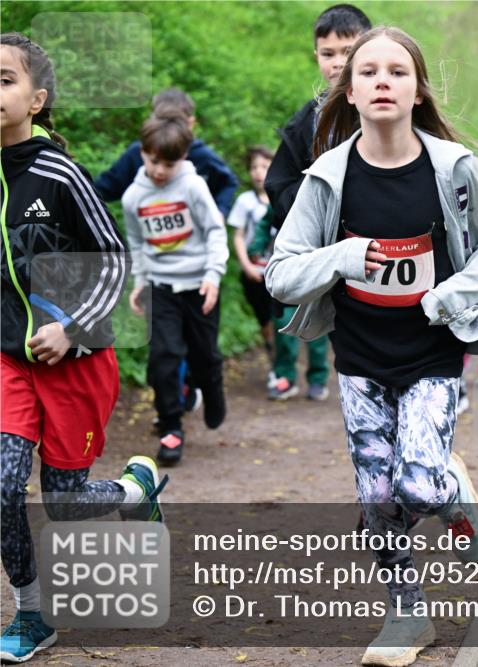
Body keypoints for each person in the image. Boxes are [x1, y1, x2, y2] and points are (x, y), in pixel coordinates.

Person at [266, 27, 478, 666]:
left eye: (398, 72)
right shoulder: (325, 177)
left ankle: (446, 490)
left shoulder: (453, 169)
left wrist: (455, 292)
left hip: (433, 351)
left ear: (416, 89)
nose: (383, 81)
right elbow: (280, 273)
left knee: (415, 482)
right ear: (349, 92)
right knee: (377, 499)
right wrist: (343, 257)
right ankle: (407, 616)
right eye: (369, 72)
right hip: (359, 357)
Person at [1, 32, 168, 664]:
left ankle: (134, 490)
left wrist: (69, 327)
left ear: (37, 98)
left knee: (65, 503)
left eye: (5, 79)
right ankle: (31, 614)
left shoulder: (59, 173)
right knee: (2, 486)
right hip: (9, 361)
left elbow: (112, 262)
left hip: (74, 360)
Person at [124, 112, 229, 465]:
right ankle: (171, 426)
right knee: (163, 359)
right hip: (161, 286)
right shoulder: (133, 196)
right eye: (153, 161)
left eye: (168, 164)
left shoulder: (192, 186)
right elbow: (137, 243)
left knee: (204, 356)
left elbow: (216, 230)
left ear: (183, 157)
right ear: (142, 152)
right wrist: (140, 282)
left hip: (199, 283)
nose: (159, 170)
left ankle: (211, 385)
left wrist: (213, 275)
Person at [263, 4, 372, 230]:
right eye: (328, 54)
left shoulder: (390, 105)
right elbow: (279, 189)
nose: (338, 62)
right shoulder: (308, 119)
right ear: (316, 56)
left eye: (348, 51)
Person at [94, 87, 239, 217]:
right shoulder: (137, 153)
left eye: (176, 122)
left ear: (190, 123)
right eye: (162, 120)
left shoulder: (203, 156)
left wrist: (219, 212)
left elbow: (228, 182)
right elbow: (102, 189)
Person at [249, 205, 332, 400]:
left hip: (315, 270)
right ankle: (285, 377)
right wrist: (257, 246)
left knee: (316, 329)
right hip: (286, 271)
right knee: (283, 325)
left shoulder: (322, 186)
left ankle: (318, 380)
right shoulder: (281, 188)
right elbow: (265, 223)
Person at [228, 146, 276, 375]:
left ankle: (284, 368)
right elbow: (238, 236)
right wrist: (246, 265)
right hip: (255, 273)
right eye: (254, 167)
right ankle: (273, 359)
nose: (258, 172)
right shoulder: (245, 201)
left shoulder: (283, 197)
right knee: (264, 320)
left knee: (283, 320)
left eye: (264, 167)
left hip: (280, 272)